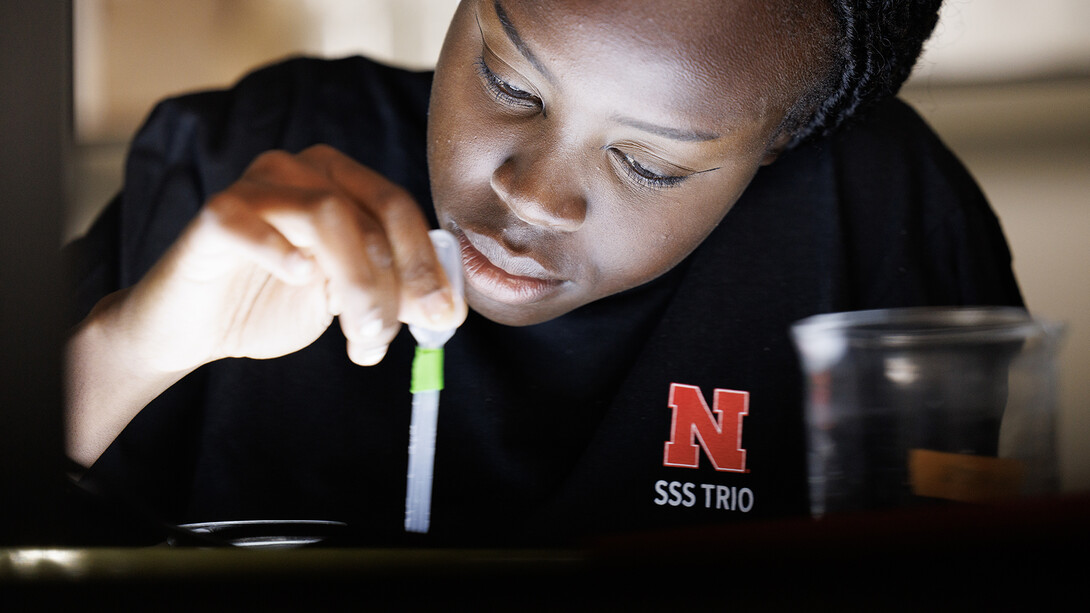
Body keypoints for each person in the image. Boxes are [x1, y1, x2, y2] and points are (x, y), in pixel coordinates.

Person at [64, 0, 1022, 546]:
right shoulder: (248, 157)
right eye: (510, 83)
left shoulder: (874, 219)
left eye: (650, 162)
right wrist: (130, 343)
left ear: (783, 143)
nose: (532, 196)